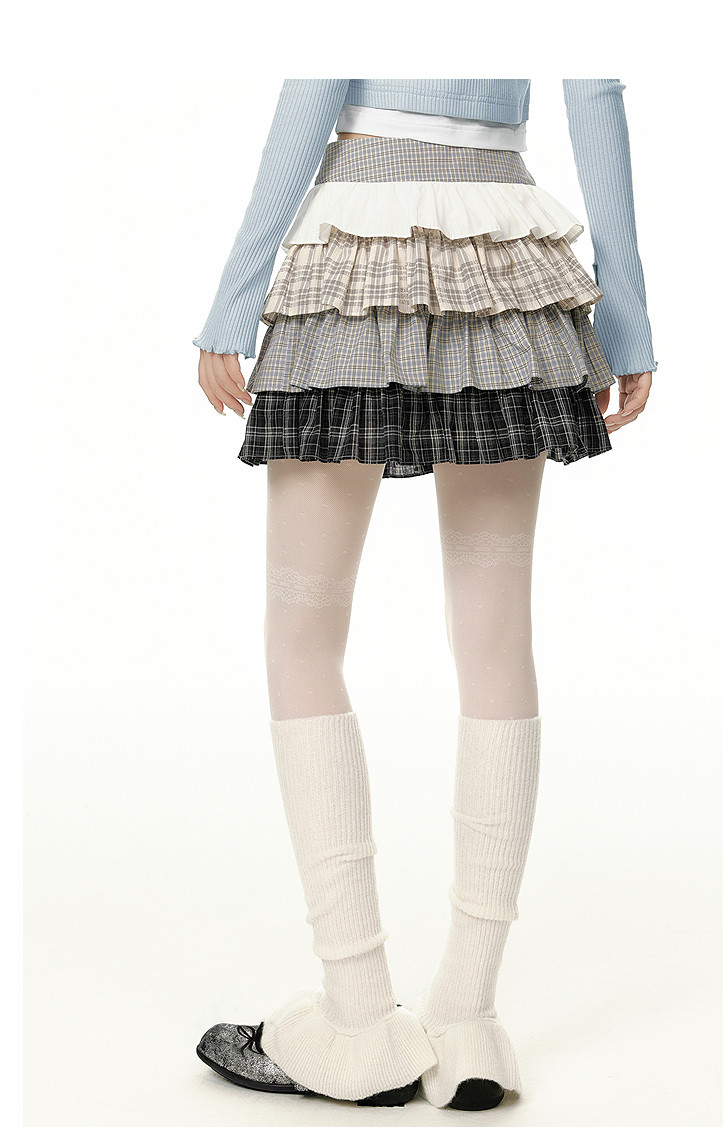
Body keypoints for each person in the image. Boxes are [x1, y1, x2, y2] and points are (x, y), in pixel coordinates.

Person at [192, 78, 656, 1112]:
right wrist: (624, 318)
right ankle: (469, 1019)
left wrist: (233, 299)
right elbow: (595, 88)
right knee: (497, 638)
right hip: (508, 260)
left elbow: (316, 85)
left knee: (301, 634)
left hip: (354, 260)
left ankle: (358, 1018)